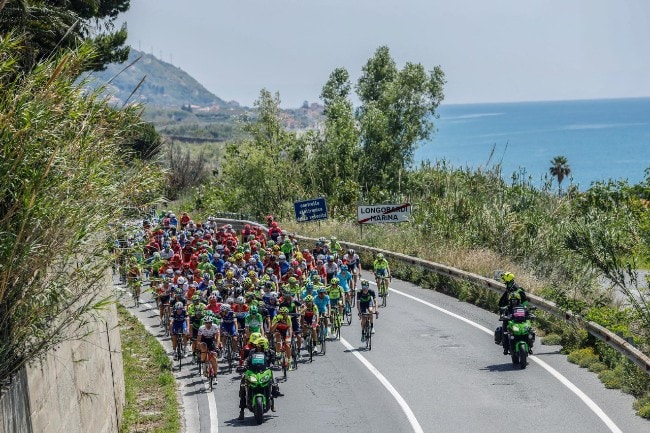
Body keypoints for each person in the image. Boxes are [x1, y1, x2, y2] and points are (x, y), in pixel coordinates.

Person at [238, 335, 282, 420]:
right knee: (243, 385)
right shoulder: (252, 352)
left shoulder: (271, 352)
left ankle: (272, 399)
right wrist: (243, 366)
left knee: (273, 383)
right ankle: (242, 410)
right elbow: (247, 360)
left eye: (260, 346)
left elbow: (274, 361)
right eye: (257, 345)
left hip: (265, 372)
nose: (257, 347)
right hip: (253, 372)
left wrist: (275, 365)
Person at [497, 272, 528, 354]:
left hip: (519, 312)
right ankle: (506, 346)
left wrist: (523, 310)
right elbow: (503, 300)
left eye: (505, 280)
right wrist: (501, 308)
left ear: (508, 281)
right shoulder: (509, 289)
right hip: (510, 311)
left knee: (528, 327)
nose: (504, 282)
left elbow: (525, 302)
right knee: (505, 328)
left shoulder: (518, 289)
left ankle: (528, 341)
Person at [197, 312, 220, 381]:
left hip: (211, 340)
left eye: (210, 323)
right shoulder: (201, 328)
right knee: (203, 349)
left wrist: (217, 347)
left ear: (212, 323)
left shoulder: (215, 327)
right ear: (204, 323)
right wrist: (198, 348)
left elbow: (218, 337)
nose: (208, 324)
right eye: (206, 323)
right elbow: (199, 339)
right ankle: (204, 364)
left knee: (214, 358)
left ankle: (215, 375)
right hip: (204, 340)